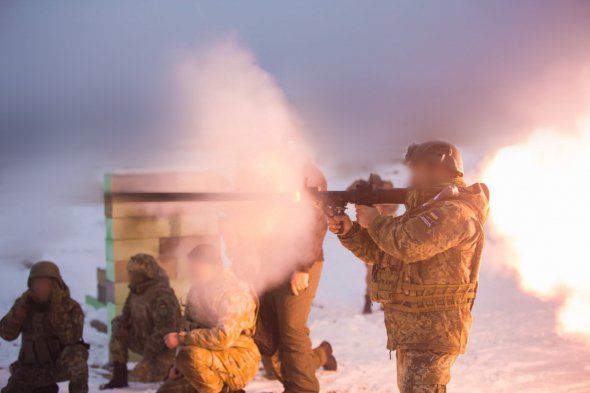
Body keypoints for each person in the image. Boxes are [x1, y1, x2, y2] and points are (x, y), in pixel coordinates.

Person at [328, 141, 489, 393]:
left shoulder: (455, 212)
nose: (411, 176)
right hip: (414, 331)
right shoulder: (424, 210)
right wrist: (350, 231)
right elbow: (383, 254)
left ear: (438, 168)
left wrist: (375, 221)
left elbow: (407, 245)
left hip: (435, 332)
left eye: (417, 169)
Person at [157, 244, 260, 393]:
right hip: (206, 356)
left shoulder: (232, 293)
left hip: (238, 357)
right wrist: (177, 365)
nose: (191, 271)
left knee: (190, 356)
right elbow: (187, 326)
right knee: (167, 391)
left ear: (212, 266)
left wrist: (181, 339)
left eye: (196, 266)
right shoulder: (197, 290)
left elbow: (223, 337)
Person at [0, 261, 89, 393]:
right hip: (29, 370)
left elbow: (71, 339)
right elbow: (6, 334)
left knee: (77, 358)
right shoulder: (25, 305)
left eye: (46, 283)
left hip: (56, 368)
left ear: (55, 284)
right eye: (37, 283)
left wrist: (55, 309)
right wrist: (20, 308)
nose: (41, 288)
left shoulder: (70, 307)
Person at [100, 253, 182, 390]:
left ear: (144, 275)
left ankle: (168, 375)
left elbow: (165, 330)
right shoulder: (135, 292)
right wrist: (118, 323)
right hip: (143, 342)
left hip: (163, 349)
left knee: (141, 375)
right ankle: (119, 379)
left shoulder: (162, 295)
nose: (130, 277)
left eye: (133, 274)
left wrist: (147, 358)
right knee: (119, 334)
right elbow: (126, 317)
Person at [346, 174, 399, 314]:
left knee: (389, 268)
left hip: (388, 231)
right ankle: (368, 300)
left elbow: (395, 205)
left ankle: (384, 301)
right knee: (372, 268)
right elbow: (346, 195)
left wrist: (380, 202)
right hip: (370, 231)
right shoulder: (361, 185)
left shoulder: (387, 187)